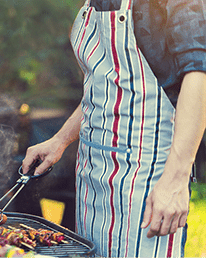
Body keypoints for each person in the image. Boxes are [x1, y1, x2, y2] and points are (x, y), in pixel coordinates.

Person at [22, 0, 206, 257]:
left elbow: (199, 75)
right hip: (92, 176)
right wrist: (60, 140)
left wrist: (176, 179)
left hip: (145, 178)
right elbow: (105, 83)